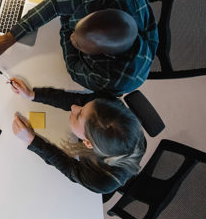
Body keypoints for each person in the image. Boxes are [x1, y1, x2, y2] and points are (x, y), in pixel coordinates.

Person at [0, 0, 158, 96]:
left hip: (118, 77)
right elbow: (56, 3)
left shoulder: (110, 77)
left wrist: (67, 20)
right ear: (95, 12)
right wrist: (9, 38)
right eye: (77, 28)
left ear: (103, 55)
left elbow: (73, 67)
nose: (72, 39)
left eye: (78, 44)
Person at [8, 77, 145, 194]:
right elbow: (77, 100)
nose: (74, 107)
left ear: (88, 143)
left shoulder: (101, 180)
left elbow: (69, 168)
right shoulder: (107, 106)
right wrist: (32, 95)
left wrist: (32, 141)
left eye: (79, 115)